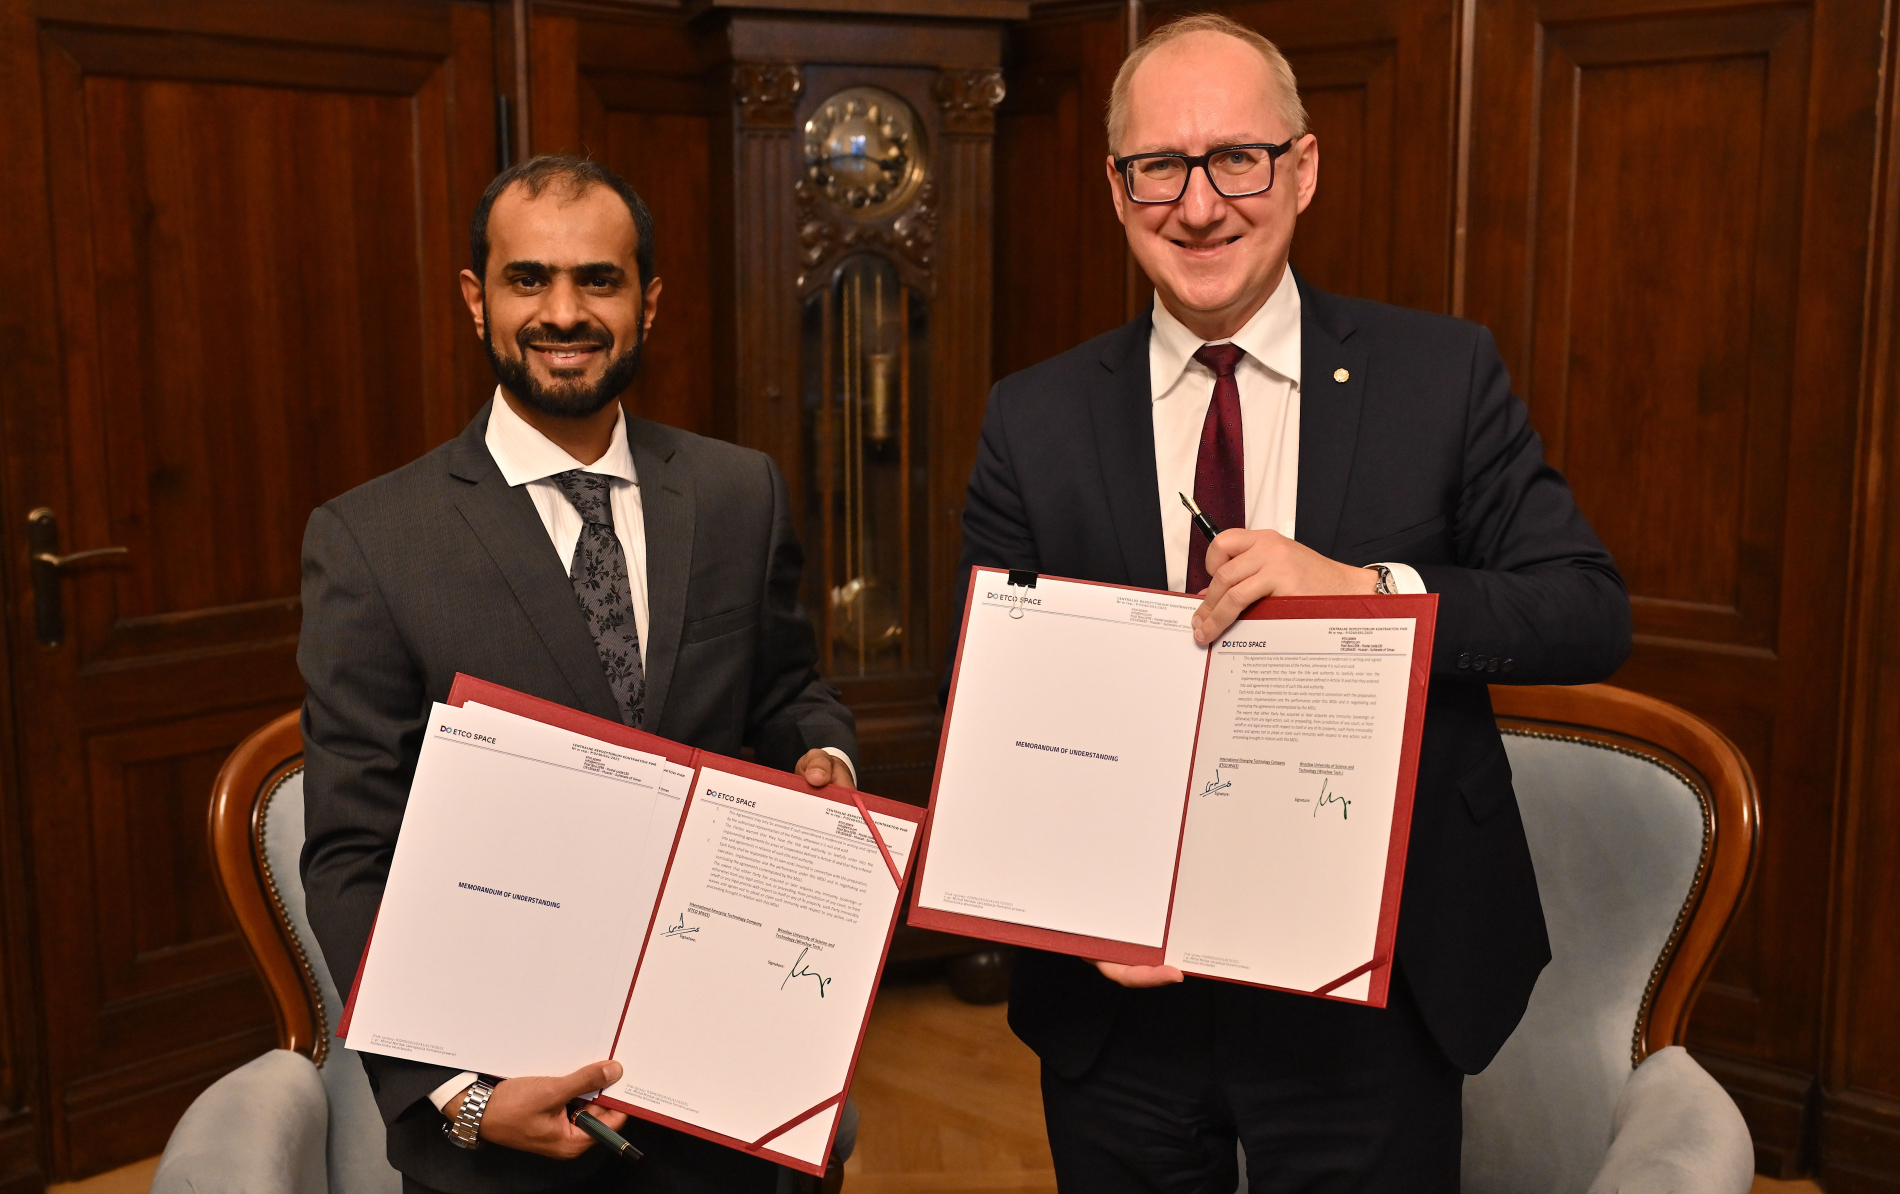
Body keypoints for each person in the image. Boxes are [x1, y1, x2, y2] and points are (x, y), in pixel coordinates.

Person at [953, 14, 1631, 1191]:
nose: (1199, 205)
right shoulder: (1034, 417)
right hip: (1121, 1012)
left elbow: (1581, 610)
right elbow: (997, 723)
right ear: (1116, 187)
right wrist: (1075, 911)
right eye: (1159, 167)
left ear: (1302, 168)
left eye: (1237, 159)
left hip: (1370, 994)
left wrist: (1369, 594)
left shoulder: (1440, 376)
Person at [299, 155, 858, 1194]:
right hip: (506, 1109)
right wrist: (458, 1093)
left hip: (724, 1077)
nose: (564, 312)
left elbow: (786, 690)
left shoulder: (741, 493)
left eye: (598, 280)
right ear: (478, 300)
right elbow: (348, 856)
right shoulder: (374, 542)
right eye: (528, 280)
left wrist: (819, 757)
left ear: (647, 300)